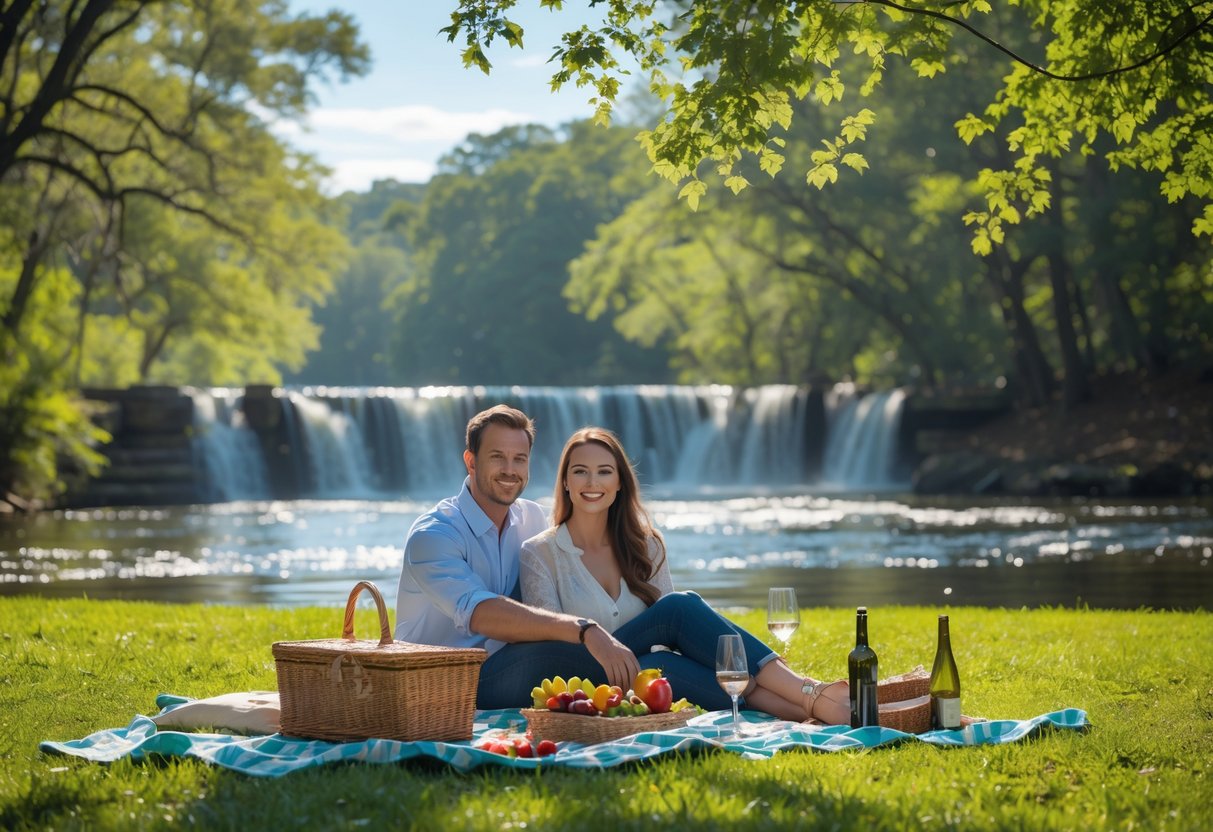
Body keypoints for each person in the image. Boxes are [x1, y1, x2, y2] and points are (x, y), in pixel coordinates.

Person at [519, 426, 850, 723]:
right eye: (580, 472)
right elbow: (549, 640)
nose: (592, 483)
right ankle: (814, 693)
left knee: (668, 668)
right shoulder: (539, 553)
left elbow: (676, 643)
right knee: (679, 608)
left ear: (620, 482)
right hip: (580, 679)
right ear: (564, 481)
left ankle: (810, 710)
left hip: (645, 680)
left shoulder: (647, 545)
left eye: (604, 472)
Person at [396, 405, 710, 710]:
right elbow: (481, 614)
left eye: (519, 459)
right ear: (471, 461)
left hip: (518, 662)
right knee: (565, 650)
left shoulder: (529, 517)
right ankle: (747, 684)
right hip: (449, 685)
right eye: (497, 457)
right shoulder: (434, 535)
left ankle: (753, 690)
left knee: (661, 649)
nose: (510, 469)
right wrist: (586, 629)